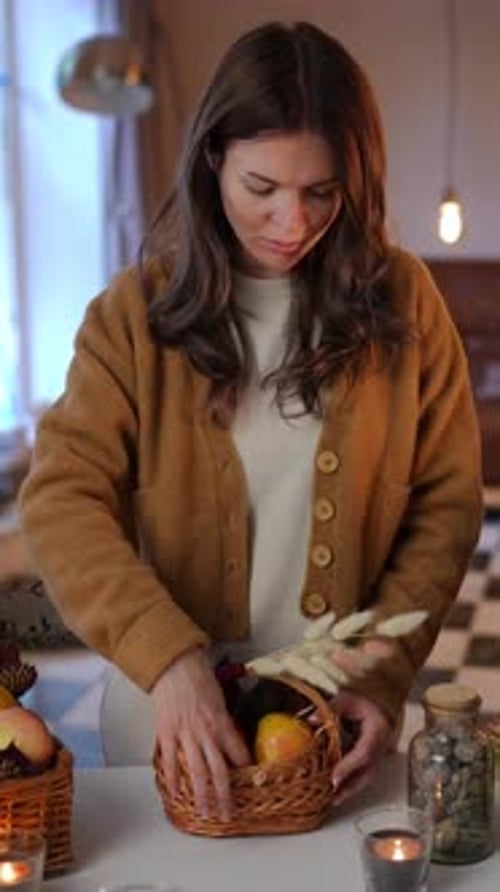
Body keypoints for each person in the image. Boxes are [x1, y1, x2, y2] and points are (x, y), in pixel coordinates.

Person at [19, 20, 482, 821]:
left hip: (333, 738)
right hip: (168, 728)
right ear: (212, 161)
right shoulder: (134, 316)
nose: (292, 223)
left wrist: (379, 672)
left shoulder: (404, 301)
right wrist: (170, 661)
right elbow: (61, 499)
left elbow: (445, 504)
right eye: (260, 189)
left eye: (321, 192)